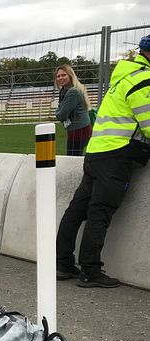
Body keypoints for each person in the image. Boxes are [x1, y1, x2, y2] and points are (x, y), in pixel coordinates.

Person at [56, 35, 150, 288]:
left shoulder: (122, 77)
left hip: (96, 152)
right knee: (100, 213)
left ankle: (63, 264)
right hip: (117, 155)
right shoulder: (143, 80)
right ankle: (90, 271)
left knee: (77, 209)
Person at [54, 64, 92, 156]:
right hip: (78, 129)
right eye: (58, 76)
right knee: (74, 157)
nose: (60, 78)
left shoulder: (72, 92)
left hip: (79, 130)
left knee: (72, 159)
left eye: (63, 75)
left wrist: (57, 112)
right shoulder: (64, 91)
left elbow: (62, 115)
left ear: (70, 76)